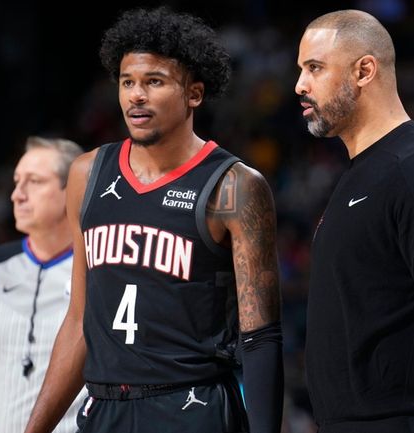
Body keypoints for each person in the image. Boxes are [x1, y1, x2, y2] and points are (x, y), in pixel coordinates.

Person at [23, 7, 283, 433]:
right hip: (104, 408)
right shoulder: (87, 174)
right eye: (127, 82)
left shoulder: (234, 186)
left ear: (194, 94)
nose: (135, 96)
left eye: (154, 82)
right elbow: (79, 321)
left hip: (191, 406)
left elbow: (261, 336)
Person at [295, 10, 414, 433]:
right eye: (301, 70)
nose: (300, 85)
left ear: (365, 70)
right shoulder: (358, 173)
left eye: (315, 68)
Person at [0, 136, 86, 433]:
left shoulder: (102, 270)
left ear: (72, 191)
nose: (16, 195)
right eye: (16, 181)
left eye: (33, 182)